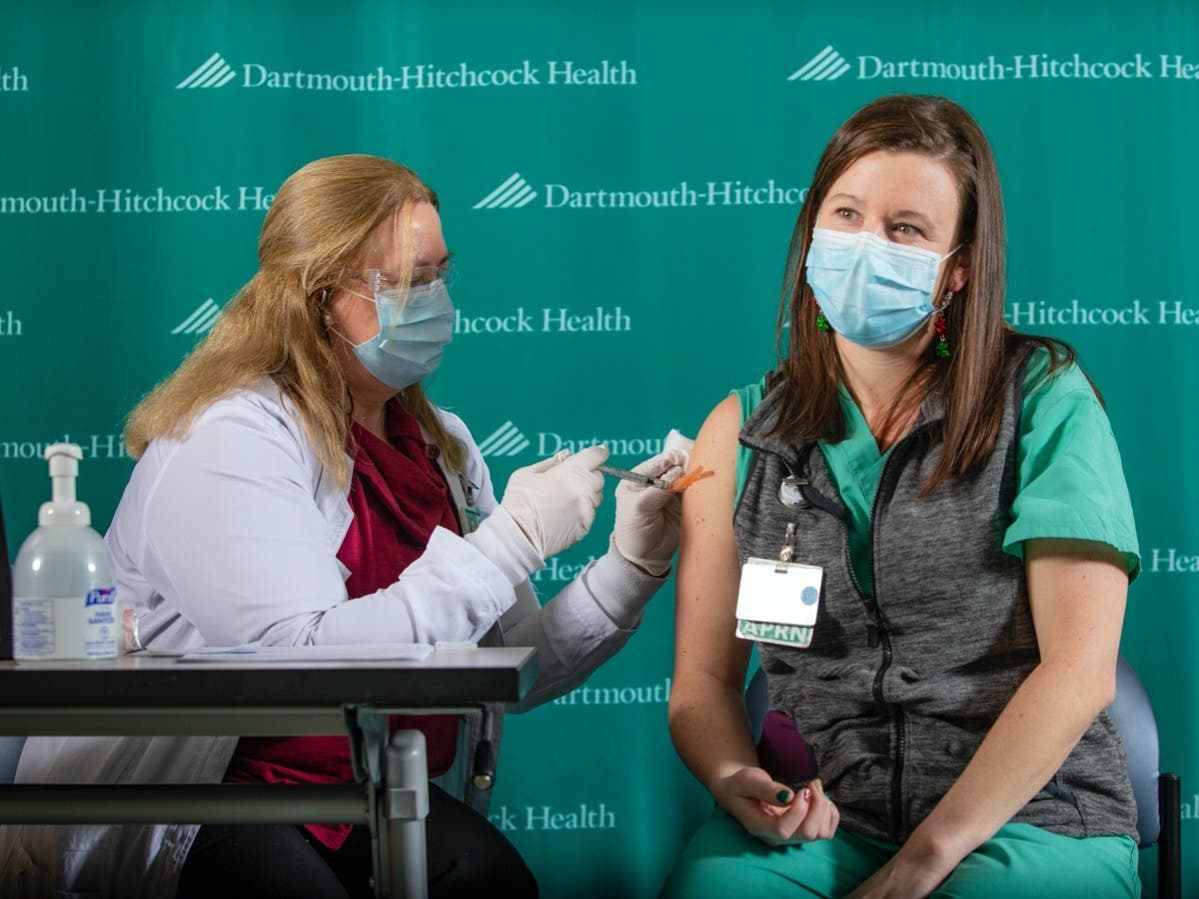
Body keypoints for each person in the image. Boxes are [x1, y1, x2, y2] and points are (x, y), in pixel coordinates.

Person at [0, 154, 687, 899]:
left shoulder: (439, 445)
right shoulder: (230, 434)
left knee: (493, 882)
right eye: (404, 282)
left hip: (362, 785)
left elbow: (505, 667)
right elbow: (300, 661)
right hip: (205, 794)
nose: (435, 300)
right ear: (317, 296)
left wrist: (629, 564)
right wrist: (510, 540)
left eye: (439, 274)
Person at [661, 95, 1140, 899]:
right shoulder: (741, 430)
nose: (864, 244)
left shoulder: (1045, 401)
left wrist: (924, 860)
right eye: (844, 214)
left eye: (905, 229)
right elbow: (702, 685)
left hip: (1029, 821)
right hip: (825, 821)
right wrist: (734, 775)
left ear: (955, 269)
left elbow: (1079, 668)